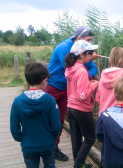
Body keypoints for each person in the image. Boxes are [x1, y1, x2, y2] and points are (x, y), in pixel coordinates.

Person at [45, 26, 100, 161]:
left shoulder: (81, 55)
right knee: (46, 118)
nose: (90, 44)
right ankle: (45, 149)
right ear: (79, 39)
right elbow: (71, 69)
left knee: (60, 120)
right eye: (88, 41)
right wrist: (89, 82)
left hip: (68, 91)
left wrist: (85, 76)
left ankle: (54, 148)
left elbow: (93, 69)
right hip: (54, 86)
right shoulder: (65, 47)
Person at [10, 62, 61, 168]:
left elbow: (14, 128)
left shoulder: (17, 101)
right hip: (48, 144)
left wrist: (22, 139)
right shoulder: (50, 101)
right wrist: (52, 137)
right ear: (44, 80)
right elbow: (56, 126)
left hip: (28, 146)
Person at [64, 40, 99, 168]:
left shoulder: (70, 68)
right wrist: (94, 85)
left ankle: (80, 163)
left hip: (71, 108)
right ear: (82, 55)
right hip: (81, 109)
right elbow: (82, 95)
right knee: (90, 138)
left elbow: (77, 89)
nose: (92, 55)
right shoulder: (82, 71)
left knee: (76, 137)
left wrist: (88, 85)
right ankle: (78, 165)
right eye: (90, 53)